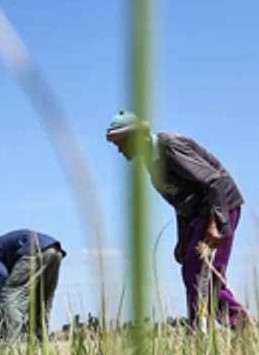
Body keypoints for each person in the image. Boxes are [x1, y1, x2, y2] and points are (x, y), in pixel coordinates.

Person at [104, 112, 249, 327]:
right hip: (197, 216)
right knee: (193, 273)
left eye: (122, 142)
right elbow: (180, 200)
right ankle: (208, 333)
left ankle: (224, 330)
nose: (119, 149)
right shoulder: (151, 162)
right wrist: (182, 239)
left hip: (219, 208)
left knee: (205, 278)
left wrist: (215, 225)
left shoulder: (169, 147)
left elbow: (213, 181)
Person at [0, 230, 65, 341]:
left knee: (9, 296)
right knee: (40, 300)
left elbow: (2, 278)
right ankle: (39, 345)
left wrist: (2, 306)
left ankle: (9, 345)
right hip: (55, 251)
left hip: (32, 250)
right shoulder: (0, 251)